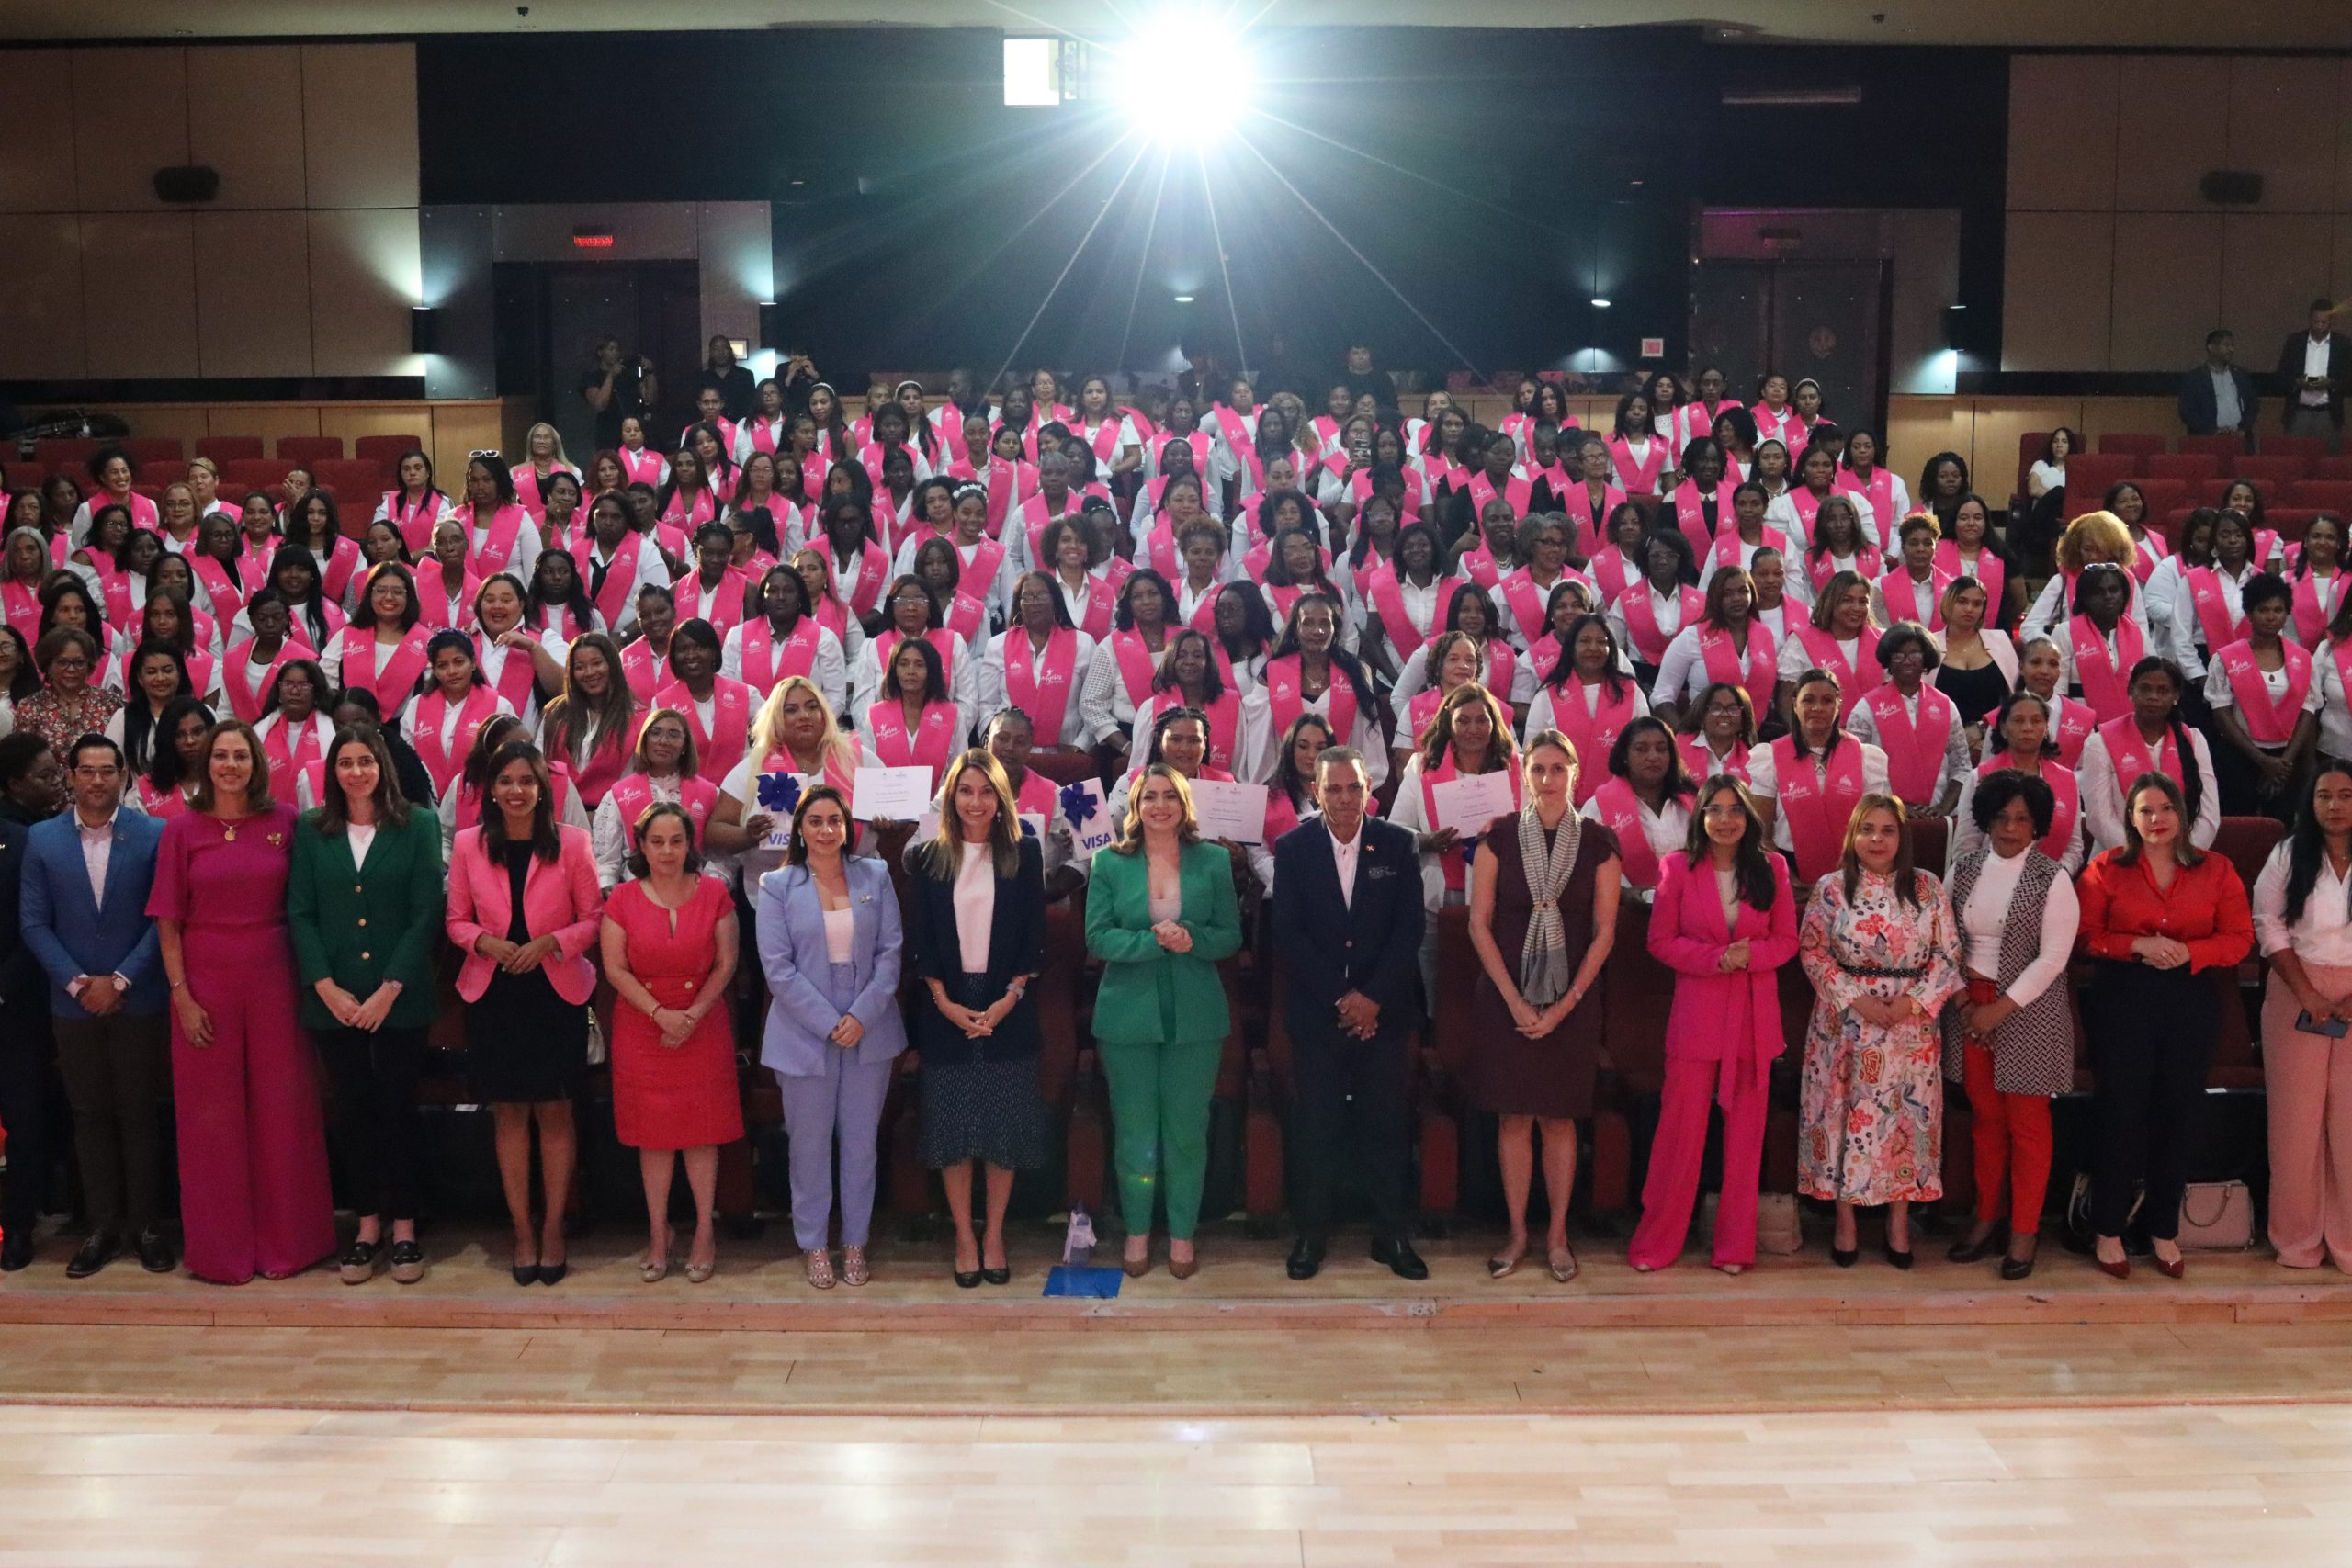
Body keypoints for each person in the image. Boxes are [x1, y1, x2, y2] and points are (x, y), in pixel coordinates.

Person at [149, 717, 335, 1284]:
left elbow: (306, 904)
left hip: (276, 977)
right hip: (205, 982)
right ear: (206, 764)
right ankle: (221, 1252)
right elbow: (168, 923)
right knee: (212, 1121)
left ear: (256, 764)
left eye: (241, 755)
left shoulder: (284, 822)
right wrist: (181, 996)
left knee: (285, 1112)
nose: (230, 765)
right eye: (220, 755)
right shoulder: (182, 830)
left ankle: (291, 1244)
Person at [2075, 771, 2256, 1281]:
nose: (2157, 820)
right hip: (2123, 997)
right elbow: (2086, 936)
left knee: (2178, 1114)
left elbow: (2239, 938)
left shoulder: (2217, 869)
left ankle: (2162, 1229)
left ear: (2183, 813)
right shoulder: (2105, 868)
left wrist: (2189, 952)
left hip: (2190, 997)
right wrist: (2136, 944)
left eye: (2166, 809)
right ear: (2130, 819)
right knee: (2122, 1111)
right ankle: (2107, 1228)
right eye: (2145, 811)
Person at [287, 724, 444, 1287]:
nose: (356, 772)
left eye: (365, 761)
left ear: (383, 766)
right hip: (334, 999)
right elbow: (300, 911)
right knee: (353, 1113)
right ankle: (367, 1226)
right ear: (332, 772)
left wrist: (389, 987)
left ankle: (405, 1228)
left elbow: (427, 912)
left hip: (398, 999)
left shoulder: (418, 824)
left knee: (397, 1109)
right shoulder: (312, 829)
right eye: (345, 762)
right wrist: (325, 986)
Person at [446, 739, 605, 1287]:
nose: (517, 791)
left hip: (553, 990)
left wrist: (550, 944)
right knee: (509, 1113)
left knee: (555, 1112)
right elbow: (455, 921)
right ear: (491, 789)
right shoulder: (469, 845)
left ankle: (555, 1227)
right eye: (507, 781)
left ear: (543, 789)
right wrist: (485, 943)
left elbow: (593, 920)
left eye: (527, 782)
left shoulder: (574, 843)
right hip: (493, 991)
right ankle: (522, 1230)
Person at [15, 736, 172, 1276]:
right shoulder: (42, 839)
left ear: (124, 776)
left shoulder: (154, 834)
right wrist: (79, 983)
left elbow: (163, 917)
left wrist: (123, 979)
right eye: (88, 771)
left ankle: (147, 1227)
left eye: (109, 771)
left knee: (139, 1113)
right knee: (89, 1116)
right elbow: (34, 922)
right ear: (72, 776)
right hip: (72, 1003)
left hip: (139, 995)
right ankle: (103, 1228)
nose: (99, 780)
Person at [1466, 729, 1619, 1282]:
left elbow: (1604, 933)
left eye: (1558, 769)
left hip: (1572, 1001)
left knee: (1559, 1121)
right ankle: (1517, 1233)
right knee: (1514, 1118)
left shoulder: (1599, 842)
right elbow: (1478, 924)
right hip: (1506, 999)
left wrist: (1565, 1004)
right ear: (1523, 775)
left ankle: (1557, 1235)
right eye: (1538, 770)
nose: (1548, 780)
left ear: (1575, 774)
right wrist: (1514, 1001)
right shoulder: (1497, 838)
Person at [1631, 775, 1798, 1274]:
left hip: (1753, 1017)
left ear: (1749, 817)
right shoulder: (1676, 868)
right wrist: (1716, 958)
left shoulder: (1773, 868)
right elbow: (1660, 942)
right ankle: (1657, 1243)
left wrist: (1749, 957)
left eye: (1735, 810)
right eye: (1715, 810)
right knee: (1680, 1135)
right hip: (1698, 1017)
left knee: (1746, 1140)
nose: (1725, 820)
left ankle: (1734, 1248)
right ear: (1701, 818)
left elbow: (1787, 941)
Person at [1272, 746, 1427, 1281]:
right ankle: (1311, 1233)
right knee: (1317, 1125)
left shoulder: (1399, 844)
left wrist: (1372, 998)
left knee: (1386, 1124)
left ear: (1369, 791)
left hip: (1384, 1015)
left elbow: (1410, 931)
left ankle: (1391, 1235)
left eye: (1353, 788)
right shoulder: (1292, 849)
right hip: (1319, 1016)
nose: (1343, 798)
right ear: (1316, 791)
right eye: (1332, 789)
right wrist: (1343, 998)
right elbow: (1287, 934)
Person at [1084, 762, 1243, 1279]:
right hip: (1127, 1016)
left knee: (1185, 1133)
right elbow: (1097, 937)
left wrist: (1193, 938)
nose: (1159, 805)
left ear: (1183, 804)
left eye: (1169, 796)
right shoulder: (1109, 862)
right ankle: (1136, 1231)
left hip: (1196, 1016)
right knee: (1135, 1133)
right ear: (1135, 806)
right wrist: (1150, 942)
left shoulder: (1214, 861)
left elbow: (1231, 938)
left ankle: (1180, 1234)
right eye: (1149, 796)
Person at [901, 750, 1052, 1287]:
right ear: (951, 796)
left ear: (1001, 798)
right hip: (947, 1001)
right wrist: (944, 1003)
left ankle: (994, 1236)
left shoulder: (1025, 853)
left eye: (986, 791)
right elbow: (921, 942)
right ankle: (965, 1236)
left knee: (1002, 1128)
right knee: (954, 1127)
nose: (975, 801)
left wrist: (1009, 998)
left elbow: (1034, 936)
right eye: (965, 791)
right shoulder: (928, 856)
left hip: (1007, 997)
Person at [1796, 795, 1962, 1269]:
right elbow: (1813, 952)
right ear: (1853, 835)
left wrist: (1912, 1002)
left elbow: (1949, 956)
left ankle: (1899, 1223)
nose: (1877, 839)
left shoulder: (1927, 888)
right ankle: (1845, 1223)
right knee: (1844, 1118)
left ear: (1901, 837)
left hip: (1910, 1028)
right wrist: (1858, 999)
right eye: (1867, 829)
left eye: (1887, 830)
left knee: (1904, 1124)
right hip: (1844, 1024)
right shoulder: (1830, 889)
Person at [757, 783, 907, 1290]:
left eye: (835, 821)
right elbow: (777, 971)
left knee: (862, 1146)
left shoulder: (876, 875)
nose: (826, 830)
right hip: (804, 1033)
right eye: (816, 821)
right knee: (809, 1146)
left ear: (848, 828)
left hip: (871, 1028)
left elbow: (891, 953)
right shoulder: (777, 886)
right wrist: (828, 1021)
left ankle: (855, 1242)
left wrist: (861, 1015)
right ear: (800, 828)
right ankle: (815, 1243)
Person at [1943, 769, 2081, 1281]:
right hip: (1967, 1006)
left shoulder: (2053, 878)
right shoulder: (1964, 867)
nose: (2010, 828)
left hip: (2027, 1012)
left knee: (2028, 1127)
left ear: (2038, 825)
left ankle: (2024, 1229)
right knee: (1986, 1122)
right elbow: (1944, 943)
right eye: (2001, 817)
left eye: (2022, 819)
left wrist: (1996, 1012)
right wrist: (1965, 1007)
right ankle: (1986, 1218)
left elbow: (2052, 960)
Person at [602, 802, 741, 1285]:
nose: (667, 850)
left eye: (676, 841)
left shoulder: (716, 893)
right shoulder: (621, 898)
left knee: (702, 1132)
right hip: (643, 1028)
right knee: (653, 1138)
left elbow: (726, 963)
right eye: (656, 841)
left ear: (690, 845)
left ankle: (704, 1230)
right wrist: (661, 1014)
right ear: (641, 846)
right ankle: (659, 1232)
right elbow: (615, 968)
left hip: (703, 1024)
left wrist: (693, 1015)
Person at [2254, 763, 2352, 1272]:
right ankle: (2297, 1242)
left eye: (2346, 795)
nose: (2335, 805)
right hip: (2297, 990)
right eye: (2324, 796)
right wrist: (2308, 993)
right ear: (2310, 804)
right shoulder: (2288, 854)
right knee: (2295, 1125)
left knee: (2350, 1124)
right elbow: (2269, 926)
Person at [1747, 668, 1890, 886]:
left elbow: (1873, 827)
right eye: (1808, 700)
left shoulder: (1865, 757)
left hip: (1852, 872)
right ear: (1795, 704)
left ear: (1838, 705)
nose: (1817, 708)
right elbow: (1762, 836)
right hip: (1788, 871)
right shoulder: (1770, 757)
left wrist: (1850, 877)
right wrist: (1789, 882)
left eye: (1827, 701)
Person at [2205, 573, 2319, 822]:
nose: (2271, 617)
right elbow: (2221, 715)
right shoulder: (2226, 658)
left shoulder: (2302, 658)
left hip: (2286, 761)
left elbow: (2307, 713)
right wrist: (2261, 760)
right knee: (2238, 827)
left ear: (2287, 613)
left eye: (2278, 610)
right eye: (2263, 609)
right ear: (2249, 612)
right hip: (2238, 757)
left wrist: (2283, 763)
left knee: (2282, 828)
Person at [2077, 657, 2220, 854]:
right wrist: (2141, 856)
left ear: (2176, 696)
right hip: (2119, 857)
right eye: (2145, 689)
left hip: (2183, 859)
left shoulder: (2193, 740)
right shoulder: (2099, 743)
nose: (2153, 696)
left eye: (2163, 691)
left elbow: (2209, 815)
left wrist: (2181, 854)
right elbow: (2099, 819)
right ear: (2130, 691)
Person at [1845, 624, 1966, 818]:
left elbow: (1961, 767)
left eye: (1914, 654)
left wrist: (1943, 808)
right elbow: (1852, 766)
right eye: (1898, 655)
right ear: (1888, 660)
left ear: (1926, 657)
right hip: (1883, 815)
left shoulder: (1946, 706)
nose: (1907, 661)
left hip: (1937, 817)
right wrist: (1895, 807)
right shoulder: (1866, 707)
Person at [2277, 299, 2349, 449]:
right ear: (2309, 319)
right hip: (2298, 411)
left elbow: (2349, 379)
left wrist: (2330, 384)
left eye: (2324, 322)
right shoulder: (2295, 341)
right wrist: (2298, 382)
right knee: (2294, 457)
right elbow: (2281, 375)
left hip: (2328, 413)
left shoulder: (2343, 344)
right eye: (2316, 322)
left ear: (2331, 321)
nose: (2320, 326)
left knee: (2328, 460)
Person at [581, 336, 657, 453]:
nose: (615, 353)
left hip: (633, 429)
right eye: (611, 349)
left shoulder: (629, 375)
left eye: (617, 350)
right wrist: (611, 375)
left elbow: (649, 398)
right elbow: (599, 405)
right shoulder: (592, 377)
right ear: (600, 352)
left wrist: (650, 372)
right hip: (609, 432)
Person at [2180, 328, 2259, 440]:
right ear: (2211, 347)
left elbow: (2253, 405)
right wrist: (2211, 430)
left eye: (2232, 345)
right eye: (2226, 345)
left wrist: (2243, 428)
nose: (2231, 349)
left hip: (2239, 438)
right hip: (2206, 439)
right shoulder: (2195, 378)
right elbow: (2187, 411)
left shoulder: (2241, 375)